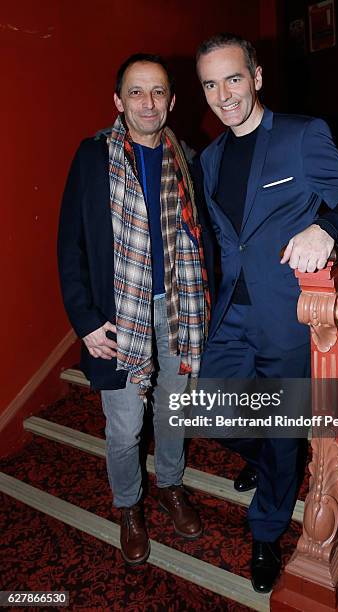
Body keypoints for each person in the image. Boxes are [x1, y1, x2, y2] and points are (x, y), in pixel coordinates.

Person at [196, 33, 338, 592]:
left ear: (256, 77)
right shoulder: (209, 158)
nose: (223, 94)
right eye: (210, 84)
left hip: (287, 316)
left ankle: (266, 532)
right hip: (231, 314)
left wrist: (326, 229)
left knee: (277, 430)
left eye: (233, 78)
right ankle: (275, 458)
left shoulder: (302, 135)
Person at [58, 53, 211, 566]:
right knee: (125, 427)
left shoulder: (187, 157)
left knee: (173, 407)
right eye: (137, 92)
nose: (148, 103)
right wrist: (84, 320)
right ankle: (129, 506)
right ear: (119, 101)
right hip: (117, 314)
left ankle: (169, 485)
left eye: (158, 92)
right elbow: (69, 245)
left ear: (171, 100)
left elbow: (205, 235)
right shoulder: (91, 157)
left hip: (178, 305)